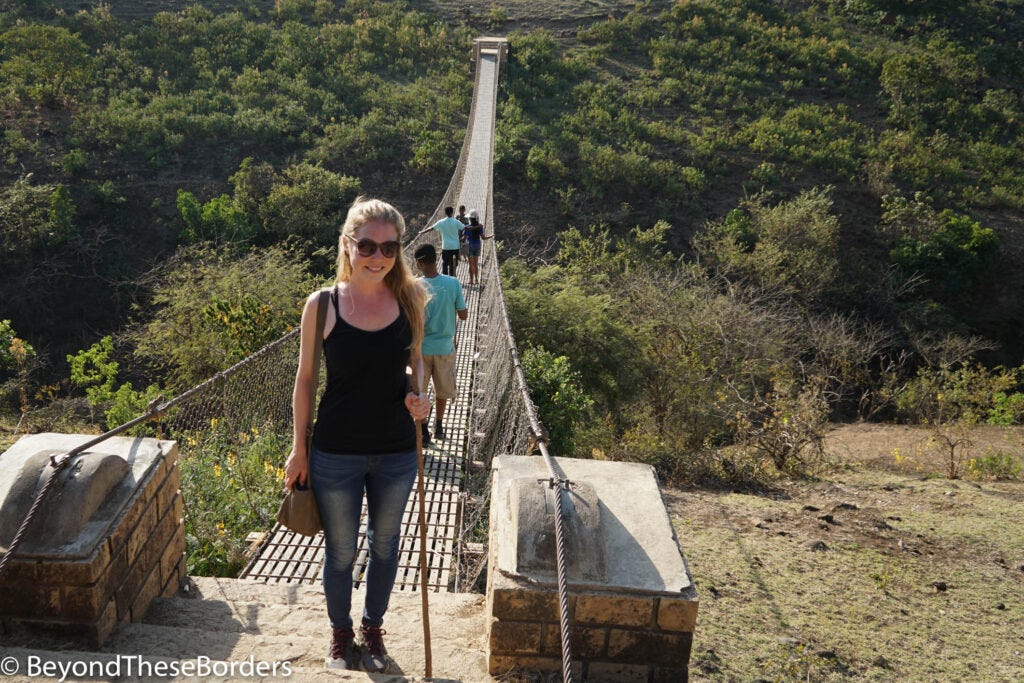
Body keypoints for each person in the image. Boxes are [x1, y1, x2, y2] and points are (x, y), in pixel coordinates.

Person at [285, 197, 430, 674]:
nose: (377, 256)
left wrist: (419, 395)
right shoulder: (322, 304)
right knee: (342, 552)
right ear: (347, 245)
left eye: (389, 247)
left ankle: (372, 629)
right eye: (366, 244)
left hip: (395, 450)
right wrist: (298, 449)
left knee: (387, 545)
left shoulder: (411, 299)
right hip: (336, 452)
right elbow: (305, 380)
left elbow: (417, 362)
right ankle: (340, 634)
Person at [413, 243, 468, 443]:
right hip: (445, 348)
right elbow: (463, 315)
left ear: (419, 262)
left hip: (421, 349)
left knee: (421, 390)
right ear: (436, 258)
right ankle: (439, 425)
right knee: (442, 390)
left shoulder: (414, 286)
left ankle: (424, 429)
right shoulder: (453, 283)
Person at [415, 206, 463, 277]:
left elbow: (431, 228)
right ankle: (452, 278)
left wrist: (422, 232)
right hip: (455, 246)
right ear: (452, 212)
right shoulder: (456, 222)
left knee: (445, 264)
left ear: (445, 213)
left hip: (446, 247)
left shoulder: (441, 222)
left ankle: (445, 278)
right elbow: (465, 227)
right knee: (453, 264)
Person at [462, 208, 493, 286]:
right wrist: (491, 236)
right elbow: (483, 238)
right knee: (475, 264)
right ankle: (476, 280)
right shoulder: (480, 226)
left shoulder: (467, 227)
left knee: (470, 265)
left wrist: (459, 239)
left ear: (470, 218)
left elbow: (463, 239)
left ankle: (471, 280)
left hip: (469, 246)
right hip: (478, 245)